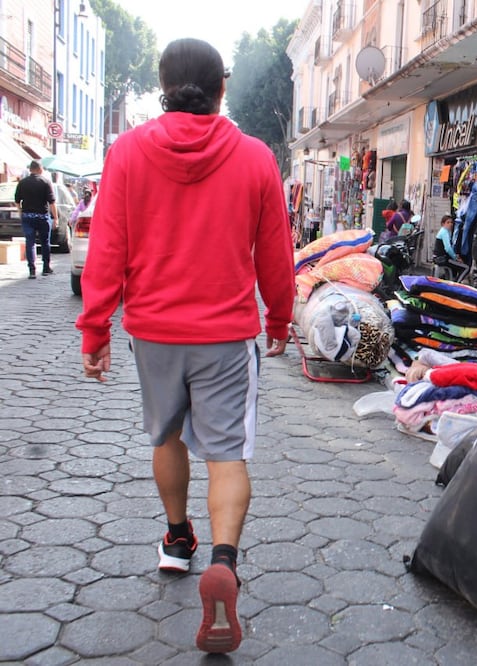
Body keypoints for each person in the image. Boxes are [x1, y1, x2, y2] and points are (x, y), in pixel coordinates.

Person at [75, 38, 294, 655]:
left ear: (162, 86)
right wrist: (278, 317)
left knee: (165, 438)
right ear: (221, 87)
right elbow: (274, 252)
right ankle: (224, 560)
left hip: (154, 332)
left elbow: (107, 248)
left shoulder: (126, 154)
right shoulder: (254, 158)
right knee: (227, 454)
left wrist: (95, 329)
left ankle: (177, 541)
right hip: (225, 336)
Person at [14, 160, 58, 279]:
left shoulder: (22, 183)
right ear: (40, 169)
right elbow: (52, 202)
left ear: (30, 169)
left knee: (30, 243)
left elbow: (17, 201)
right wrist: (55, 218)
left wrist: (20, 212)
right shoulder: (45, 182)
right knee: (45, 243)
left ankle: (32, 270)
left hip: (28, 216)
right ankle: (45, 268)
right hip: (42, 216)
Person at [432, 214, 467, 280]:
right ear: (443, 224)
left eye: (451, 222)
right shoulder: (444, 232)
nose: (450, 224)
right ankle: (457, 284)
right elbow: (448, 248)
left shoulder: (445, 232)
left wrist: (455, 255)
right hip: (442, 259)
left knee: (454, 268)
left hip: (438, 258)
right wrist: (455, 258)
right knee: (465, 268)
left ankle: (448, 280)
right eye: (448, 222)